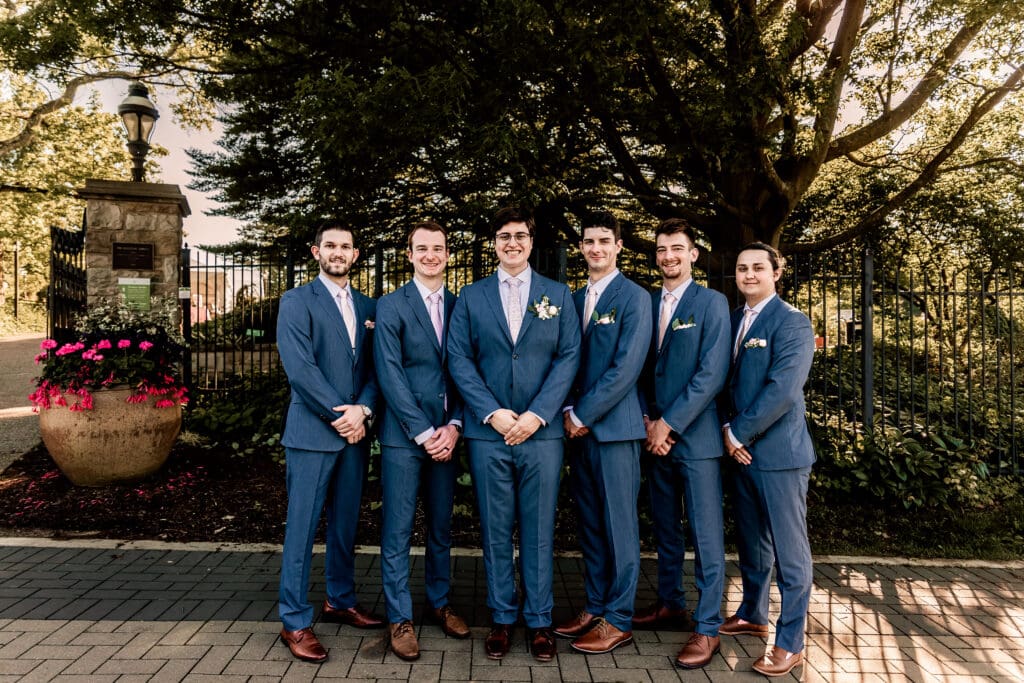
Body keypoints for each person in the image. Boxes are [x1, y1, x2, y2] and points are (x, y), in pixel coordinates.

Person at [447, 206, 581, 662]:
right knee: (496, 529)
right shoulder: (471, 295)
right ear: (494, 242)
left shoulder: (558, 295)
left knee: (540, 530)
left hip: (541, 436)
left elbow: (568, 359)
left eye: (520, 235)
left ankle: (539, 621)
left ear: (530, 241)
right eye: (504, 235)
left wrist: (539, 414)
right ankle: (503, 618)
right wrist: (492, 413)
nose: (512, 242)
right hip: (490, 435)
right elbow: (459, 359)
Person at [275, 222, 383, 663]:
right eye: (330, 246)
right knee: (301, 530)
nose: (338, 252)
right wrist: (344, 417)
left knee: (345, 526)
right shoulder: (296, 301)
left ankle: (339, 599)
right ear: (316, 251)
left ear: (356, 255)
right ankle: (295, 620)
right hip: (313, 434)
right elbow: (300, 369)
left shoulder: (369, 304)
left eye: (346, 246)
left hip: (356, 434)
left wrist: (366, 410)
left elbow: (380, 368)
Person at [553, 212, 650, 654]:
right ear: (581, 248)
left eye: (604, 241)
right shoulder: (572, 299)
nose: (596, 248)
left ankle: (620, 617)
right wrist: (568, 413)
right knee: (590, 523)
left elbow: (626, 367)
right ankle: (595, 604)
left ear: (619, 246)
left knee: (620, 526)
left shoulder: (634, 298)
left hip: (614, 430)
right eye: (589, 241)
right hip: (578, 432)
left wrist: (583, 413)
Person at [637, 218, 731, 669]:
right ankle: (671, 603)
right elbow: (636, 366)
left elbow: (711, 374)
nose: (668, 256)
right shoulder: (646, 301)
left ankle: (708, 627)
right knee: (666, 530)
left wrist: (669, 425)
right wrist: (646, 420)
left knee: (706, 536)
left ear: (693, 254)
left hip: (695, 440)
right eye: (661, 249)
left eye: (677, 248)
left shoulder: (712, 303)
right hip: (652, 436)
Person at [373, 221, 470, 661]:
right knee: (396, 530)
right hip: (404, 437)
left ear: (448, 254)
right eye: (422, 248)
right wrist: (425, 431)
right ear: (409, 254)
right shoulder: (391, 305)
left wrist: (454, 425)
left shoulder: (461, 305)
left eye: (438, 248)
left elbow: (468, 372)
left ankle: (439, 601)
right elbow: (389, 375)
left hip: (447, 435)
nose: (430, 255)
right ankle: (400, 617)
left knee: (440, 526)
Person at [720, 241, 815, 678]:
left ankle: (790, 641)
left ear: (777, 272)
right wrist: (726, 430)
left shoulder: (792, 323)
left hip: (779, 455)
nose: (749, 275)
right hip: (740, 453)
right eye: (742, 268)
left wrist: (738, 431)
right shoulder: (734, 319)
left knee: (791, 553)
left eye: (759, 267)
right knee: (753, 541)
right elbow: (724, 382)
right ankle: (754, 613)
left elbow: (781, 389)